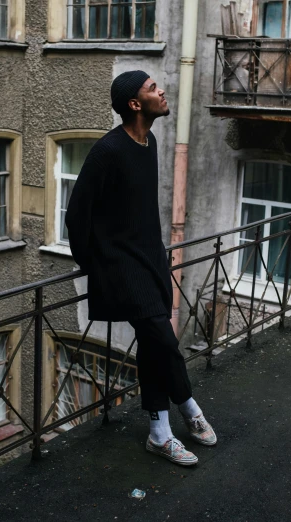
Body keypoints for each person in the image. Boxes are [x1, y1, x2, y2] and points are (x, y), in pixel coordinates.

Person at [65, 70, 216, 467]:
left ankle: (159, 432)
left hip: (150, 260)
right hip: (120, 267)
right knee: (163, 339)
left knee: (153, 346)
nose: (161, 90)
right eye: (152, 88)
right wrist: (93, 264)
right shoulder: (107, 151)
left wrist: (156, 254)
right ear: (135, 104)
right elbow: (77, 214)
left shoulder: (148, 142)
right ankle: (189, 407)